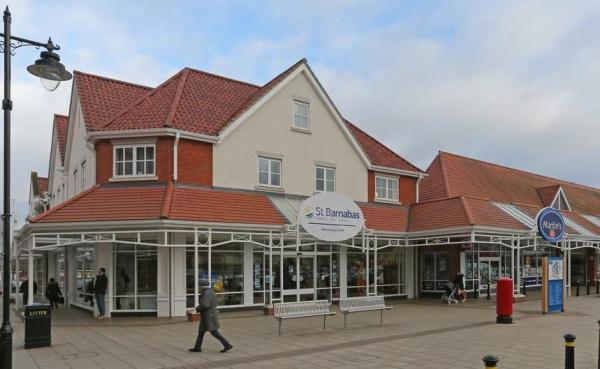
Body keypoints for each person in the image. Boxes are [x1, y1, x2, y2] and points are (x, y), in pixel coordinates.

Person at [189, 280, 233, 353]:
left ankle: (227, 344)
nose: (198, 287)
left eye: (198, 286)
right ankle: (197, 347)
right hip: (207, 315)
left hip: (208, 316)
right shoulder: (210, 291)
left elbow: (205, 305)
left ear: (201, 286)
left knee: (214, 332)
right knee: (201, 331)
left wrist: (197, 308)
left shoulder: (207, 293)